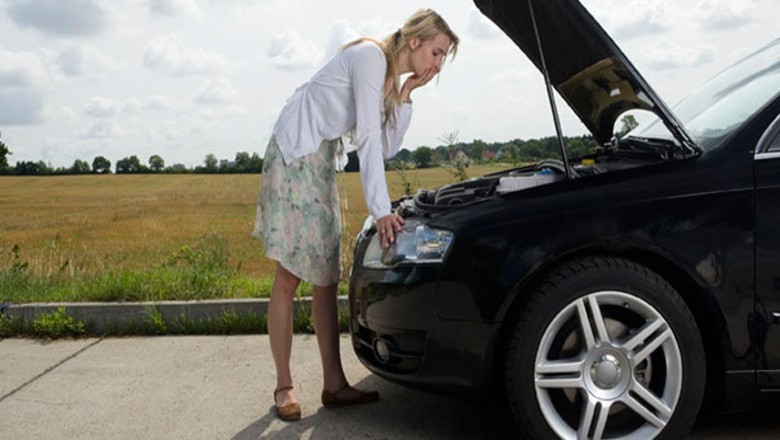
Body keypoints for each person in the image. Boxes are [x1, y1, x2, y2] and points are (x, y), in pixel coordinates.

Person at [252, 8, 459, 421]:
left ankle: (334, 385)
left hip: (322, 155)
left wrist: (405, 95)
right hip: (296, 152)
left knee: (326, 274)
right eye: (436, 52)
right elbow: (366, 138)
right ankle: (283, 386)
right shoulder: (370, 58)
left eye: (443, 58)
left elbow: (384, 147)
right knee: (290, 273)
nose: (437, 65)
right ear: (414, 41)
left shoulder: (386, 80)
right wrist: (381, 212)